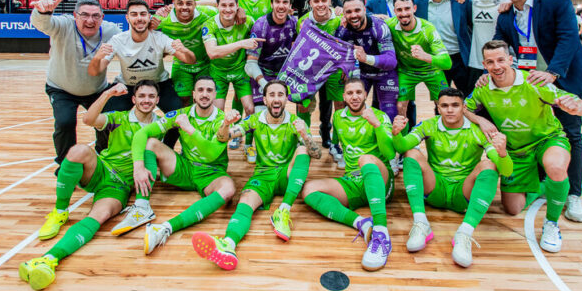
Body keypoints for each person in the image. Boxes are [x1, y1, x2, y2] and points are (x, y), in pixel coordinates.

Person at [18, 80, 160, 291]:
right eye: (142, 96)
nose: (146, 100)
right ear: (134, 99)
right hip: (102, 168)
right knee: (79, 151)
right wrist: (108, 94)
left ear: (157, 100)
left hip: (118, 186)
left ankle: (48, 259)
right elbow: (88, 119)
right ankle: (60, 211)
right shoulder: (118, 119)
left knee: (99, 216)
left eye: (151, 97)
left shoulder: (161, 124)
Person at [491, 0, 582, 222]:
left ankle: (574, 194)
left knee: (571, 132)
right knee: (535, 129)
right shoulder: (506, 16)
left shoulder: (556, 2)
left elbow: (569, 39)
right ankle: (541, 182)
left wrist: (553, 73)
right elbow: (499, 44)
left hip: (562, 76)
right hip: (528, 82)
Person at [466, 40, 582, 252]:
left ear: (510, 60)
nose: (496, 66)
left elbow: (580, 105)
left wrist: (578, 107)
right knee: (513, 209)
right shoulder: (482, 89)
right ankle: (546, 187)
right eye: (490, 62)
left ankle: (551, 224)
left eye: (500, 60)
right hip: (515, 150)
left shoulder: (534, 82)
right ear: (484, 65)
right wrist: (481, 120)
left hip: (547, 139)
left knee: (555, 166)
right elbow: (464, 108)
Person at [191, 80, 321, 270]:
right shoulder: (254, 119)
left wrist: (306, 136)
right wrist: (226, 124)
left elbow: (316, 154)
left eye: (280, 95)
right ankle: (228, 244)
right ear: (265, 99)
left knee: (302, 151)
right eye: (272, 95)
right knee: (244, 203)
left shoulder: (295, 122)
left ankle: (283, 210)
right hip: (263, 175)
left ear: (286, 99)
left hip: (287, 175)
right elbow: (222, 138)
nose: (276, 99)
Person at [392, 88, 512, 266]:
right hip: (435, 188)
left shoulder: (477, 131)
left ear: (464, 107)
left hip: (462, 193)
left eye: (455, 105)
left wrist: (502, 154)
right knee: (411, 153)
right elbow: (402, 147)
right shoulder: (429, 125)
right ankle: (421, 223)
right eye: (445, 105)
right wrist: (397, 134)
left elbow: (507, 171)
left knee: (489, 165)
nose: (449, 110)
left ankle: (465, 233)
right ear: (438, 107)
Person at [301, 78, 395, 271]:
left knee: (365, 159)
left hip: (380, 178)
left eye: (359, 92)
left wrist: (376, 125)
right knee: (309, 189)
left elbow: (390, 154)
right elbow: (337, 142)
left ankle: (381, 231)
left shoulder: (379, 116)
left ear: (365, 94)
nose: (354, 97)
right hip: (353, 180)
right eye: (350, 93)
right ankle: (361, 222)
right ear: (343, 96)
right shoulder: (338, 117)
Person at [135, 76, 236, 254]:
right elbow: (143, 133)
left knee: (229, 188)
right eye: (201, 90)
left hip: (211, 173)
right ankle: (142, 207)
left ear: (215, 95)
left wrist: (189, 129)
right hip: (186, 168)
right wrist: (138, 166)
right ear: (194, 94)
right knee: (151, 143)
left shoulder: (222, 120)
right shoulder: (181, 114)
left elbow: (210, 153)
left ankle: (165, 228)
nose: (205, 94)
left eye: (209, 91)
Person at [31, 0, 122, 168]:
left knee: (107, 121)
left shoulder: (111, 31)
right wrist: (42, 12)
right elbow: (43, 24)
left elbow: (130, 43)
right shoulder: (64, 25)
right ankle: (66, 165)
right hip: (61, 88)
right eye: (84, 15)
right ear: (75, 15)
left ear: (102, 17)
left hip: (96, 89)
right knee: (65, 123)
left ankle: (103, 157)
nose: (90, 20)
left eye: (96, 16)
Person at [87, 0, 194, 128]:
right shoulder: (118, 40)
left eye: (143, 14)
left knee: (178, 117)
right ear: (127, 18)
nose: (139, 18)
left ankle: (164, 147)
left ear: (149, 17)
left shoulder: (159, 38)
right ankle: (102, 147)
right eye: (134, 14)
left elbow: (189, 60)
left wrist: (184, 50)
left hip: (159, 84)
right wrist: (97, 57)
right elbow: (93, 72)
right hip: (128, 85)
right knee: (107, 118)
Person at [296, 0, 346, 167]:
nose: (320, 4)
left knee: (340, 106)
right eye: (316, 1)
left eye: (323, 0)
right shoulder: (302, 21)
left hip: (334, 71)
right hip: (310, 71)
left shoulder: (341, 20)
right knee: (303, 105)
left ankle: (336, 144)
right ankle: (305, 141)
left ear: (330, 1)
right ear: (310, 3)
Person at [385, 0, 451, 118]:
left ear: (414, 8)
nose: (403, 13)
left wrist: (425, 56)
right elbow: (370, 22)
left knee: (445, 105)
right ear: (394, 11)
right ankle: (403, 137)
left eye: (407, 8)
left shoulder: (428, 29)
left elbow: (447, 63)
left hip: (432, 71)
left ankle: (442, 136)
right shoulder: (390, 25)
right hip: (406, 72)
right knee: (400, 107)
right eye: (399, 10)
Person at [201, 0, 259, 128]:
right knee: (218, 112)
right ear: (217, 6)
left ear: (237, 6)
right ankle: (221, 140)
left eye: (231, 5)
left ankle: (244, 140)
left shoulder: (248, 21)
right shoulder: (209, 25)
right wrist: (241, 44)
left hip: (240, 71)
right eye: (224, 5)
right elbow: (212, 52)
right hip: (218, 72)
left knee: (251, 109)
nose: (228, 9)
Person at [335, 0, 399, 122]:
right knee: (353, 108)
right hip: (363, 73)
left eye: (357, 10)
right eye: (348, 12)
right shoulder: (342, 30)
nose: (353, 15)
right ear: (344, 14)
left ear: (364, 10)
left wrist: (366, 58)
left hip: (385, 73)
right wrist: (345, 67)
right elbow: (337, 52)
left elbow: (391, 61)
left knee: (389, 113)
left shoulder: (379, 27)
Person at [150, 0, 218, 105]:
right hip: (181, 65)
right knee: (184, 100)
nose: (184, 7)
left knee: (205, 99)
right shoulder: (162, 19)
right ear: (173, 4)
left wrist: (239, 11)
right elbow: (142, 27)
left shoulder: (208, 13)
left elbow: (225, 9)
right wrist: (150, 27)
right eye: (180, 3)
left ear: (195, 4)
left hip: (205, 64)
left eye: (189, 3)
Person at [414, 0, 473, 94]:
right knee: (439, 99)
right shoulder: (418, 3)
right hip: (436, 60)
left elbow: (471, 25)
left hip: (459, 58)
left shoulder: (460, 0)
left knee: (467, 96)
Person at [467, 0, 509, 87]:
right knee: (474, 104)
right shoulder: (470, 0)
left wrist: (511, 1)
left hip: (501, 64)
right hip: (476, 63)